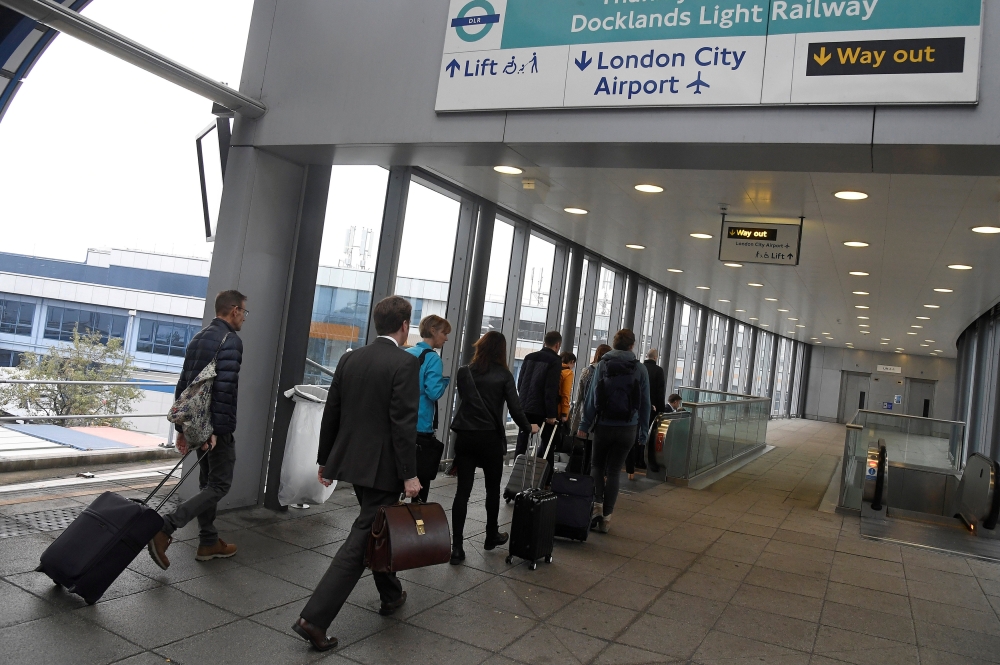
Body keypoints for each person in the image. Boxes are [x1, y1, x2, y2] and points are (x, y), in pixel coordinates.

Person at [293, 296, 422, 652]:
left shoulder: (350, 359)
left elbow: (332, 412)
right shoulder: (404, 364)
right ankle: (314, 619)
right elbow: (403, 425)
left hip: (352, 462)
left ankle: (391, 595)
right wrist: (409, 475)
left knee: (376, 528)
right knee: (360, 540)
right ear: (404, 326)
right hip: (383, 470)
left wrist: (325, 461)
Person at [147, 290, 246, 570]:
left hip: (198, 425)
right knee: (219, 485)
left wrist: (182, 427)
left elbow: (184, 386)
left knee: (207, 484)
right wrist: (217, 429)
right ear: (234, 310)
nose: (244, 319)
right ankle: (167, 526)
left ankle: (208, 541)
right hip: (215, 428)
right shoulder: (231, 341)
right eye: (244, 313)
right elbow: (225, 390)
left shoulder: (199, 337)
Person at [449, 331, 536, 564]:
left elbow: (466, 403)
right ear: (501, 350)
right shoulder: (504, 375)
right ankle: (490, 535)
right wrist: (529, 428)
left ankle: (456, 547)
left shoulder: (464, 372)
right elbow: (516, 410)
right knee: (491, 489)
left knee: (462, 492)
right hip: (489, 439)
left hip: (466, 437)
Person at [577, 329, 650, 534]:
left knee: (597, 466)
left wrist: (584, 425)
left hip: (604, 426)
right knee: (614, 471)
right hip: (628, 428)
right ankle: (606, 519)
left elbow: (592, 397)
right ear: (632, 346)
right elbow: (645, 404)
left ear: (614, 344)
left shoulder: (602, 365)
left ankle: (597, 503)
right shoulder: (640, 369)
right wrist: (643, 432)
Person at [405, 314, 451, 503]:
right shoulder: (432, 358)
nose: (446, 338)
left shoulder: (408, 352)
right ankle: (417, 525)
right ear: (433, 331)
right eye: (444, 333)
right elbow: (433, 392)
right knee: (421, 484)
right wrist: (445, 380)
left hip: (401, 423)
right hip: (421, 426)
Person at [514, 330, 563, 460]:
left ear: (545, 342)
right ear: (557, 345)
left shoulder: (529, 357)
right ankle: (545, 477)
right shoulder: (555, 361)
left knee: (522, 441)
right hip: (542, 409)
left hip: (524, 405)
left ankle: (517, 471)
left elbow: (520, 383)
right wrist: (551, 414)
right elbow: (550, 389)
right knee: (547, 444)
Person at [570, 344, 611, 434]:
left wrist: (574, 419)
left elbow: (579, 396)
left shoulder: (586, 371)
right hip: (602, 416)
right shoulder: (610, 373)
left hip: (585, 413)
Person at [558, 352, 576, 424]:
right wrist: (564, 413)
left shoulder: (554, 369)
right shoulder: (568, 373)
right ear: (572, 361)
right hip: (558, 409)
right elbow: (566, 394)